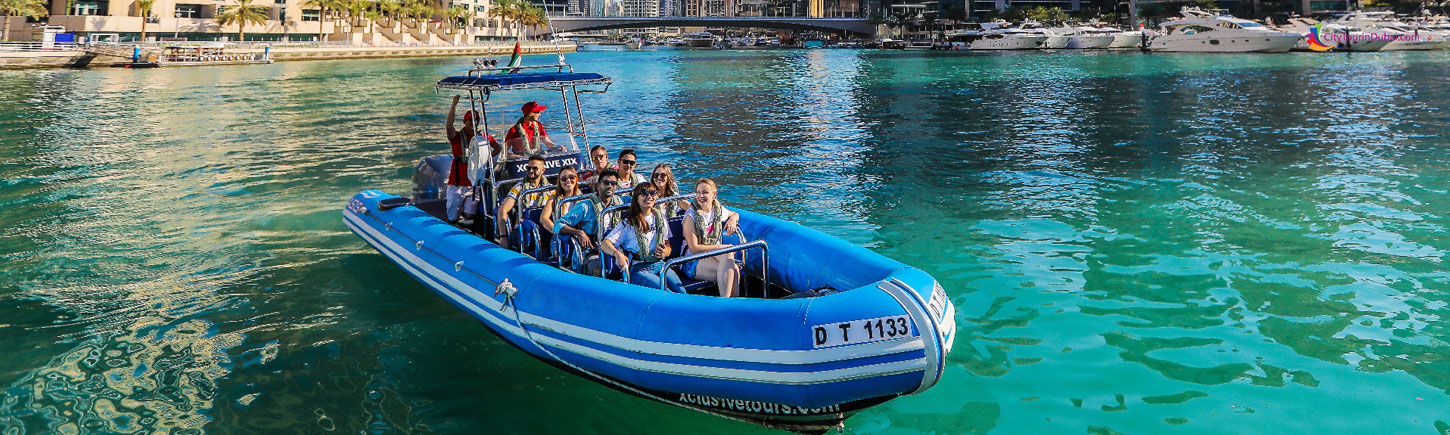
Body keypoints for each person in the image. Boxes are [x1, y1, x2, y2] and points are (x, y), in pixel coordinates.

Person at [602, 183, 682, 289]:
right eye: (644, 193)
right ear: (636, 198)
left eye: (653, 193)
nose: (649, 196)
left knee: (680, 290)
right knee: (665, 290)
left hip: (660, 264)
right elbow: (605, 244)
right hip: (639, 269)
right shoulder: (628, 223)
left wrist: (666, 251)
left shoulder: (660, 218)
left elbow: (667, 244)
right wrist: (617, 254)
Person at [554, 169, 623, 275]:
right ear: (598, 186)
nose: (610, 186)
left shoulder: (619, 203)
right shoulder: (585, 207)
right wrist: (579, 232)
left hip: (615, 247)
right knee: (599, 271)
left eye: (613, 183)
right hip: (591, 251)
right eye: (606, 182)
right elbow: (558, 225)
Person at [682, 179, 742, 297]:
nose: (701, 196)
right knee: (732, 267)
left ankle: (732, 304)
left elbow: (735, 214)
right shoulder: (690, 216)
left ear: (714, 194)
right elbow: (694, 248)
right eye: (698, 192)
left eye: (705, 192)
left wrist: (733, 219)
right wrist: (720, 247)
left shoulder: (717, 210)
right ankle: (726, 303)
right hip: (693, 260)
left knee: (733, 267)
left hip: (713, 255)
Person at [496, 155, 554, 248]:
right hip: (522, 230)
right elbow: (502, 210)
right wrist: (503, 236)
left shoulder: (550, 189)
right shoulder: (519, 188)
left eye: (535, 168)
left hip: (544, 229)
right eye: (528, 168)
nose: (531, 171)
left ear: (543, 170)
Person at [445, 95, 478, 225]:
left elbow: (497, 147)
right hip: (457, 182)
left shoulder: (481, 137)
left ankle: (466, 224)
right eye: (470, 120)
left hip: (474, 182)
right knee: (452, 216)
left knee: (470, 214)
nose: (473, 123)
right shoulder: (457, 137)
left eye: (475, 120)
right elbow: (449, 126)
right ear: (464, 122)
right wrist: (454, 104)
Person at [539, 165, 582, 238]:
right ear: (560, 182)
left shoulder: (582, 197)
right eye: (564, 179)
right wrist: (556, 231)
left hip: (579, 232)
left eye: (571, 177)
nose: (568, 180)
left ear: (576, 178)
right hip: (561, 236)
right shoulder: (553, 198)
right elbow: (543, 219)